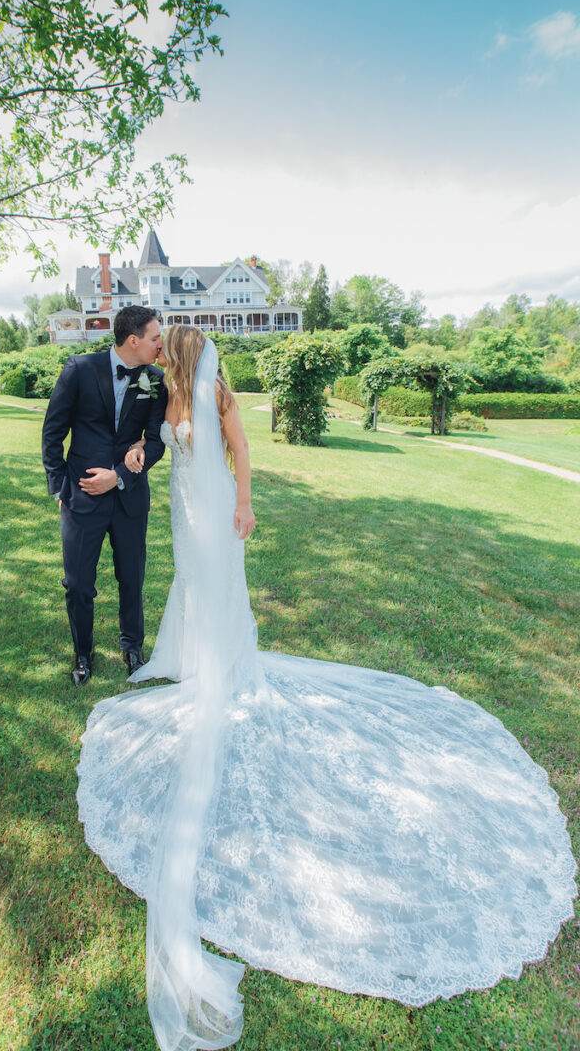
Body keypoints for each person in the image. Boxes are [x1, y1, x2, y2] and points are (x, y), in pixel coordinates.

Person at [76, 327, 577, 1051]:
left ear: (179, 354)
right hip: (184, 512)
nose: (165, 350)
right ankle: (198, 657)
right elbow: (158, 447)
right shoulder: (167, 393)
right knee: (192, 585)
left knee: (220, 588)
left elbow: (240, 452)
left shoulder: (214, 392)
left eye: (168, 343)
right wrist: (134, 453)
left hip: (215, 506)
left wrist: (244, 505)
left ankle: (227, 667)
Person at [41, 306, 167, 686]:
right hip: (82, 497)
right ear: (133, 340)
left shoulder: (157, 380)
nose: (161, 343)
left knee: (132, 577)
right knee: (78, 582)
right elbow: (53, 432)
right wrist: (60, 485)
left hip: (129, 498)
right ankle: (82, 652)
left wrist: (120, 477)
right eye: (155, 337)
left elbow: (157, 442)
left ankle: (132, 648)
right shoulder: (79, 369)